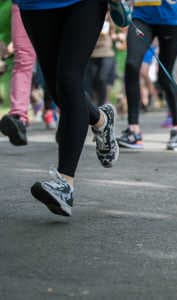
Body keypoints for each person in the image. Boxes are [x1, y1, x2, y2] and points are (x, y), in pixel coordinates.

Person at [16, 0, 119, 217]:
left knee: (68, 79)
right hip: (35, 5)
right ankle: (101, 119)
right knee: (56, 89)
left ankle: (65, 184)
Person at [117, 0, 177, 151]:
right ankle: (134, 130)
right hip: (142, 16)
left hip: (171, 19)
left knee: (164, 77)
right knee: (131, 65)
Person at [0, 2, 36, 146]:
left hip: (57, 7)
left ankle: (72, 114)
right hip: (22, 4)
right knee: (23, 58)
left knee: (57, 65)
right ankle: (18, 117)